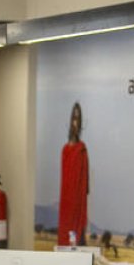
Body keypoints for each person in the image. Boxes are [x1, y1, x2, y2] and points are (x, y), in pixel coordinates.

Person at [58, 102, 90, 247]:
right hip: (66, 202)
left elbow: (85, 182)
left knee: (76, 238)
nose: (76, 123)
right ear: (70, 122)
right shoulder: (65, 150)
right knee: (66, 234)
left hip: (79, 202)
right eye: (74, 119)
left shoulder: (82, 149)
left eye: (78, 119)